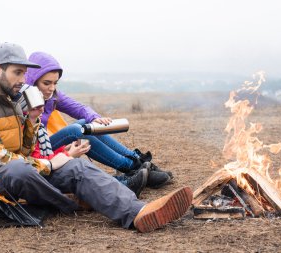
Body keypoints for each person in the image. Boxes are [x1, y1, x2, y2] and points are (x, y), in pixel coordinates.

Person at [0, 42, 193, 233]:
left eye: (24, 73)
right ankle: (74, 202)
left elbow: (27, 149)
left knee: (77, 167)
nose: (22, 79)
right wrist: (50, 163)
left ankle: (137, 212)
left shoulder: (14, 96)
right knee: (19, 170)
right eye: (17, 72)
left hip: (31, 168)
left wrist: (30, 122)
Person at [24, 52, 172, 189]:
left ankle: (137, 161)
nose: (51, 88)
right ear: (33, 80)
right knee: (77, 131)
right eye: (47, 83)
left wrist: (95, 118)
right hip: (33, 150)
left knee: (85, 124)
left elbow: (79, 108)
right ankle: (131, 167)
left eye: (55, 83)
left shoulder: (52, 95)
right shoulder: (22, 100)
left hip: (45, 143)